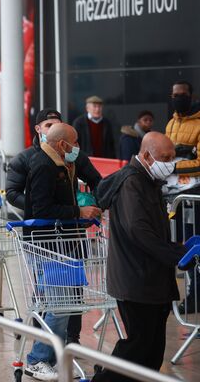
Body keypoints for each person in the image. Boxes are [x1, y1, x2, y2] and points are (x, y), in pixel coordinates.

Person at [92, 132, 188, 382]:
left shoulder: (148, 180)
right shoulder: (132, 182)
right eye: (165, 157)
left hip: (149, 279)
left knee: (152, 349)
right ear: (146, 155)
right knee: (137, 347)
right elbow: (139, 230)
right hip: (136, 279)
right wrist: (177, 253)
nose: (170, 162)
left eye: (172, 157)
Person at [24, 123, 102, 381]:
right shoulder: (43, 165)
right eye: (75, 142)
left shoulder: (61, 162)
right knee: (58, 307)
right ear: (62, 145)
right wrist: (78, 213)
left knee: (65, 306)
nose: (77, 148)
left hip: (63, 244)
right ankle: (37, 360)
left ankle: (51, 356)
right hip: (47, 245)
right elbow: (42, 209)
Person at [7, 109, 101, 211]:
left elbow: (97, 182)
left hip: (73, 221)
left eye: (57, 126)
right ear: (38, 129)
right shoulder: (23, 159)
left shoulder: (74, 154)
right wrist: (36, 205)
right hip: (41, 222)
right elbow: (12, 193)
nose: (53, 129)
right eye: (48, 125)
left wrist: (93, 204)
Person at [163, 80, 200, 313]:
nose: (178, 98)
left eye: (183, 94)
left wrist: (175, 168)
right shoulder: (170, 123)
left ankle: (195, 296)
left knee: (196, 245)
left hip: (194, 197)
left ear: (191, 95)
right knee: (182, 246)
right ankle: (189, 295)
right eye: (175, 94)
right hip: (175, 199)